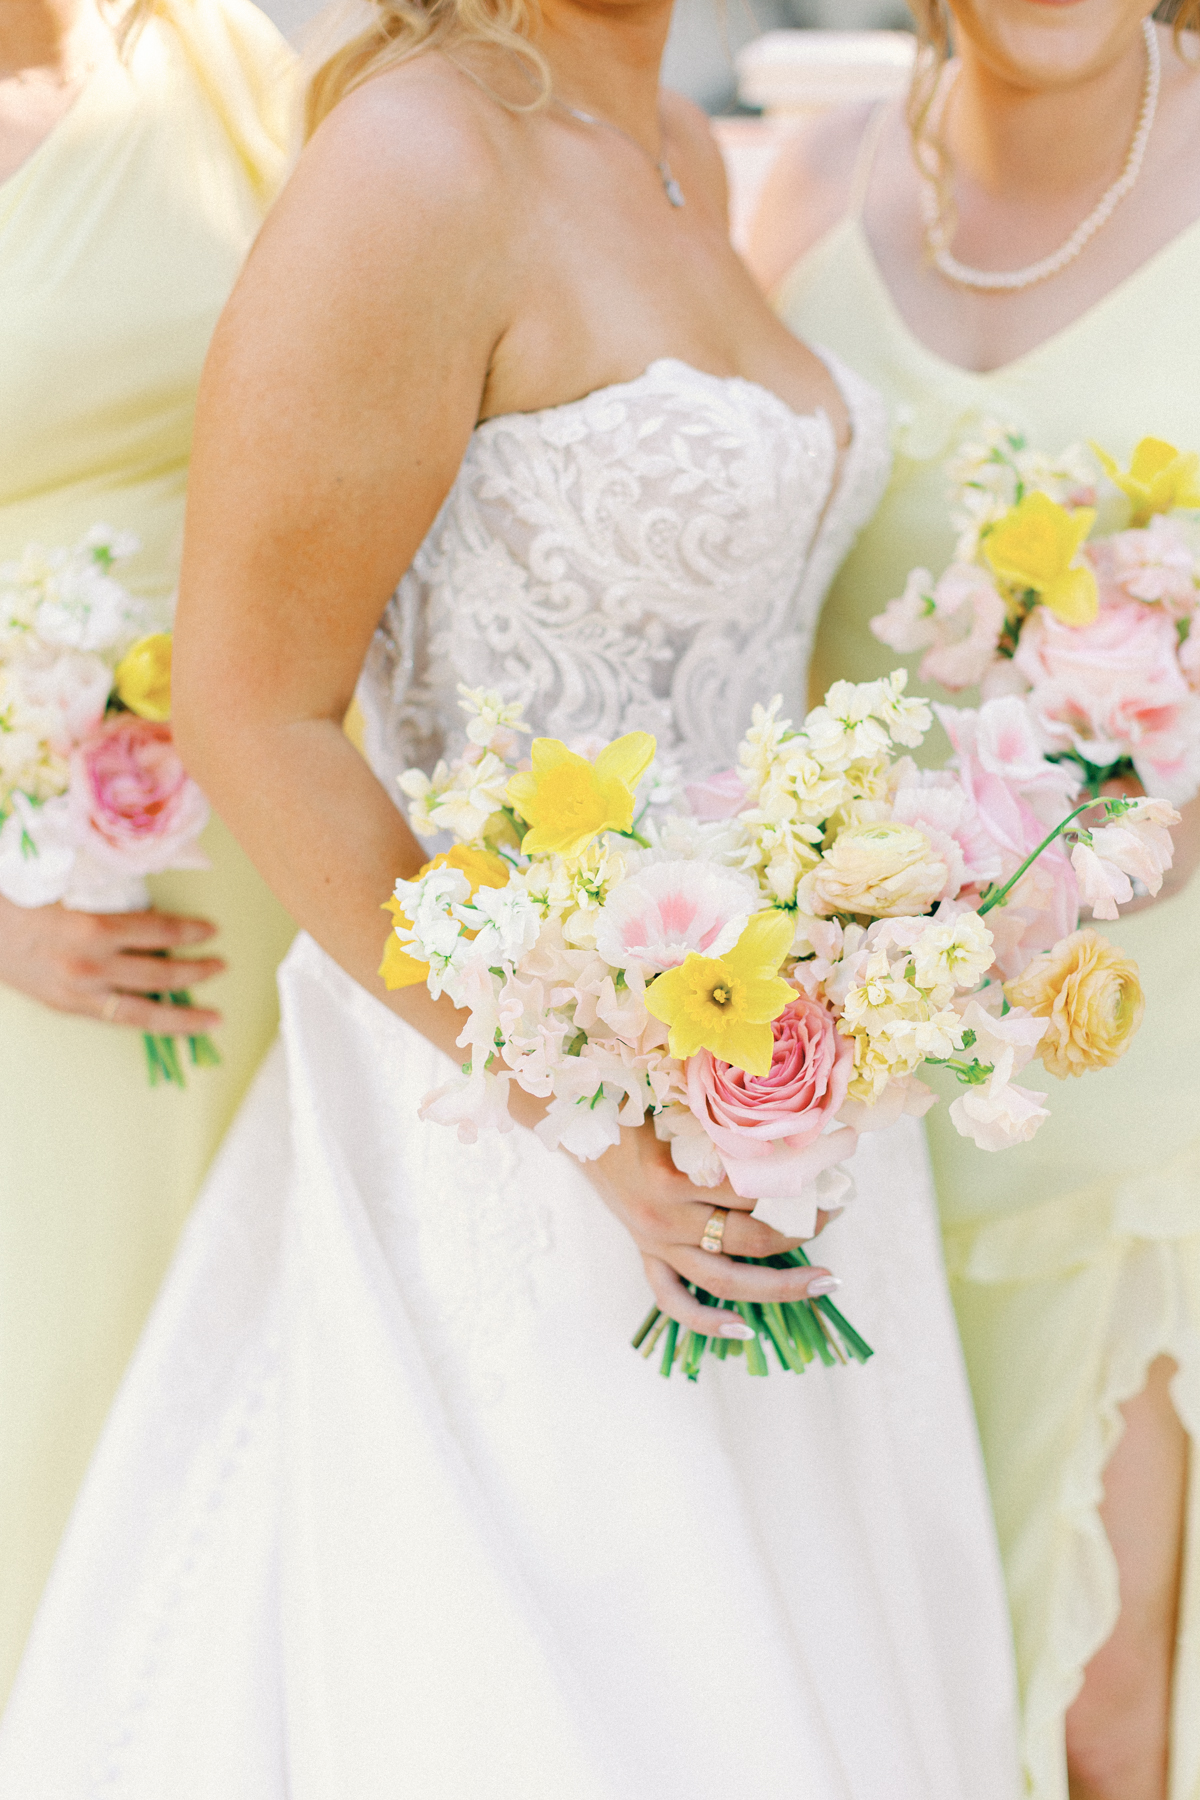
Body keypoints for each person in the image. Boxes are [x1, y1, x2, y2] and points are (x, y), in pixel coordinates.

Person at [0, 0, 1024, 1792]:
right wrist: (576, 1092)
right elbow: (255, 701)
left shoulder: (681, 150)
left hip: (775, 1100)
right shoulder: (414, 159)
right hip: (518, 1115)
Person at [748, 5, 1200, 1797]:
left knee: (1105, 1690)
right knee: (901, 1659)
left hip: (1139, 1051)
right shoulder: (801, 184)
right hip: (850, 1087)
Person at [0, 0, 296, 1702]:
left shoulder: (216, 62)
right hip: (41, 942)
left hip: (261, 873)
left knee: (225, 1417)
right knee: (49, 1393)